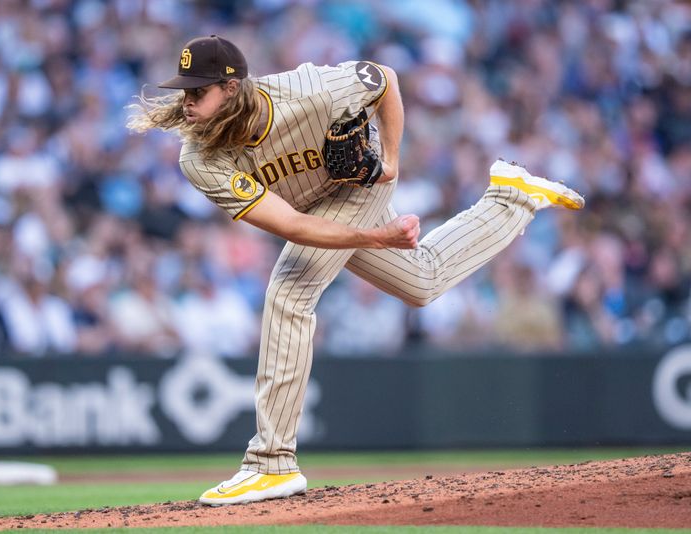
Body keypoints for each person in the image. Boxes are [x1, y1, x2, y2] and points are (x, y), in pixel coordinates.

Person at [127, 35, 584, 506]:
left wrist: (389, 159)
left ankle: (271, 463)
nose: (186, 102)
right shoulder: (199, 157)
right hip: (312, 213)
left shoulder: (309, 91)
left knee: (290, 291)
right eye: (184, 91)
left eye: (197, 91)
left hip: (355, 189)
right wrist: (377, 239)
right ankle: (511, 197)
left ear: (232, 87)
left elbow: (384, 79)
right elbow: (292, 225)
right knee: (421, 281)